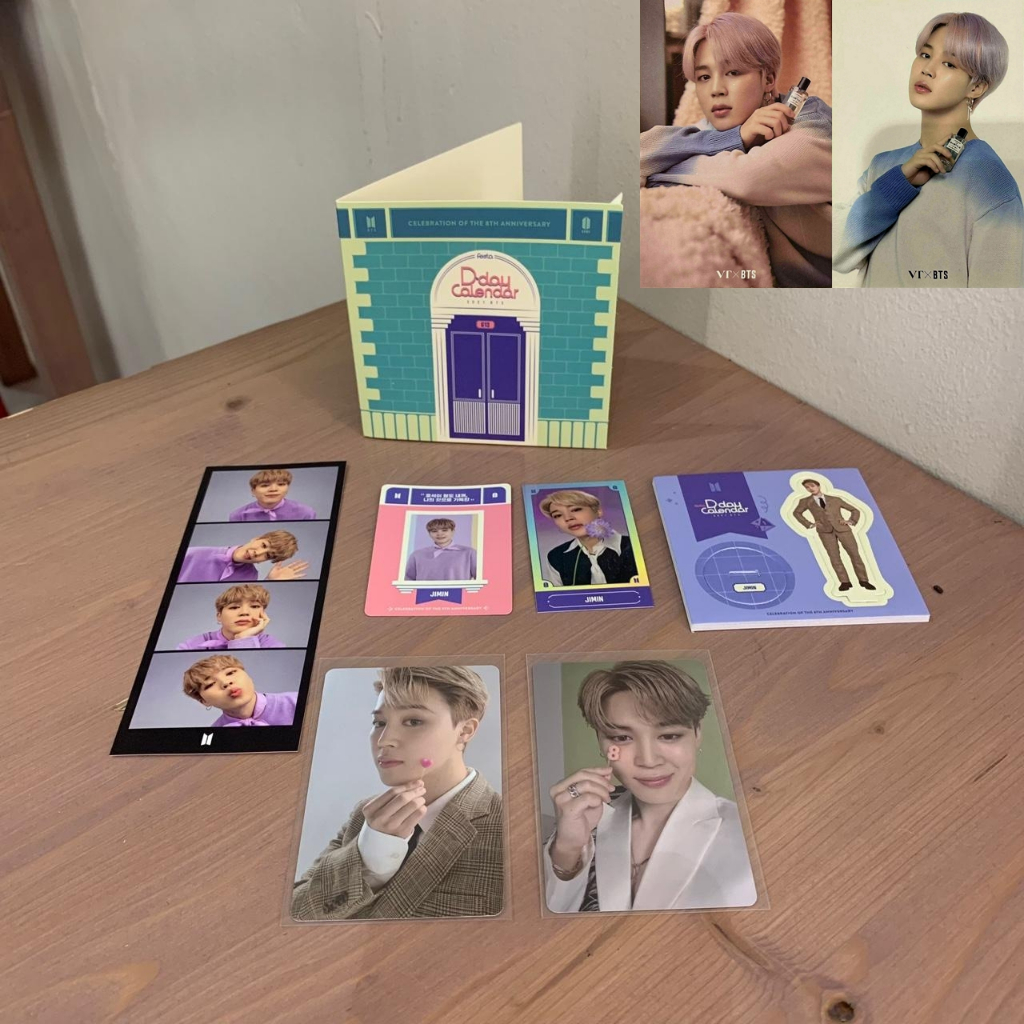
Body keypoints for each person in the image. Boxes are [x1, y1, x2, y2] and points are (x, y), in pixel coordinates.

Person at [292, 666, 503, 920]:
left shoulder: (507, 826)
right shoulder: (365, 816)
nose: (384, 740)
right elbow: (296, 914)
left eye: (413, 721)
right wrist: (369, 859)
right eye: (379, 723)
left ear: (465, 730)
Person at [544, 661, 756, 912]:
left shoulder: (749, 833)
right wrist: (567, 850)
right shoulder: (587, 819)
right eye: (622, 738)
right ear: (601, 741)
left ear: (697, 733)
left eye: (669, 735)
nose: (648, 760)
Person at [640, 12, 832, 287]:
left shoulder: (813, 122)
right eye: (703, 77)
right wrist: (736, 137)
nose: (716, 89)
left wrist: (660, 171)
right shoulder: (718, 130)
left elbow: (747, 178)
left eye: (733, 72)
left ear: (768, 78)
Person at [834, 12, 1022, 287]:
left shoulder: (990, 183)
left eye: (949, 63)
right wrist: (898, 185)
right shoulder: (884, 166)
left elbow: (997, 303)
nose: (927, 69)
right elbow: (836, 253)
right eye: (925, 54)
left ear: (977, 86)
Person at [791, 479, 875, 592]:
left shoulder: (835, 499)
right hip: (824, 532)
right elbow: (796, 513)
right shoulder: (805, 501)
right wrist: (809, 524)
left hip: (843, 530)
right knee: (834, 557)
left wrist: (851, 521)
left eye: (812, 486)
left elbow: (854, 510)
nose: (810, 488)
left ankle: (864, 580)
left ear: (818, 486)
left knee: (854, 554)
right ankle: (845, 582)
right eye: (807, 487)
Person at [540, 490, 637, 586]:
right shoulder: (556, 556)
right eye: (557, 515)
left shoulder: (633, 546)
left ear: (598, 511)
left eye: (576, 509)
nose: (568, 518)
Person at [182, 654, 297, 727]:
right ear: (203, 701)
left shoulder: (297, 702)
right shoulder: (214, 733)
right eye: (210, 684)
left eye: (230, 673)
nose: (226, 683)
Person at [176, 583, 284, 650]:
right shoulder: (190, 645)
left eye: (254, 606)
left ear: (263, 614)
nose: (244, 612)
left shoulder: (273, 645)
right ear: (219, 616)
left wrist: (243, 639)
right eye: (234, 607)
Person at [177, 530, 308, 583]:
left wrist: (270, 581)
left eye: (267, 555)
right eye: (263, 545)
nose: (258, 553)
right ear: (256, 538)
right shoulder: (192, 554)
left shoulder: (251, 576)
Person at [404, 518, 477, 581]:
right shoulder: (417, 555)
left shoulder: (469, 553)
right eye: (434, 531)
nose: (439, 534)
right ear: (429, 533)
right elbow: (408, 580)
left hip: (459, 593)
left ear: (453, 531)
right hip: (425, 593)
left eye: (444, 530)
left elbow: (479, 578)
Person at [229, 469, 317, 521]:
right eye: (265, 485)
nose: (273, 489)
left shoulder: (305, 512)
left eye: (281, 484)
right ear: (253, 491)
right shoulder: (238, 515)